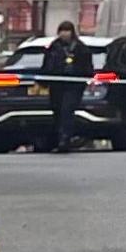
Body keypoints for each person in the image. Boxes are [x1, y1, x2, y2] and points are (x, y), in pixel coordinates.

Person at [39, 20, 91, 153]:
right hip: (56, 86)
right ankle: (58, 138)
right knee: (57, 111)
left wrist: (82, 79)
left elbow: (87, 68)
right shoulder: (53, 47)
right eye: (62, 30)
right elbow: (46, 65)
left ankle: (65, 139)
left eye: (67, 31)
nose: (64, 34)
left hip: (73, 86)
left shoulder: (80, 48)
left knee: (66, 111)